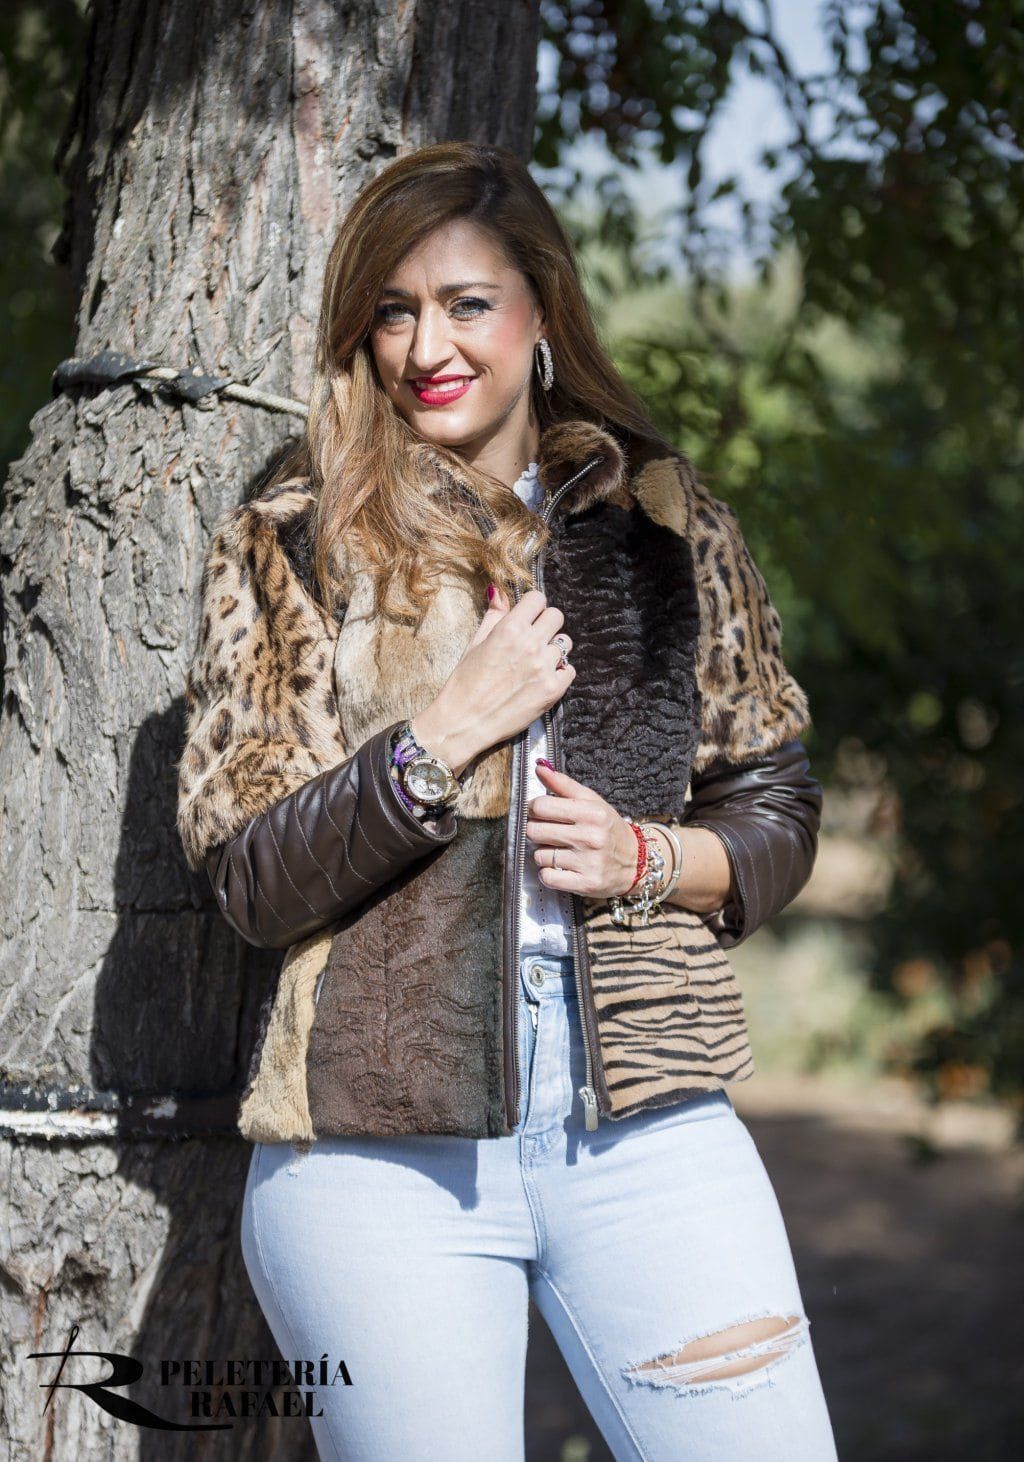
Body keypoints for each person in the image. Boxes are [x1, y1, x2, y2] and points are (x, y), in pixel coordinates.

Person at [176, 141, 838, 1461]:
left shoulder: (663, 518)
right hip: (374, 1151)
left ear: (538, 312)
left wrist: (651, 852)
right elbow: (248, 874)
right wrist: (437, 737)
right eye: (395, 309)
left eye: (468, 302)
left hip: (650, 1123)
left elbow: (776, 795)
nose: (430, 342)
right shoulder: (293, 536)